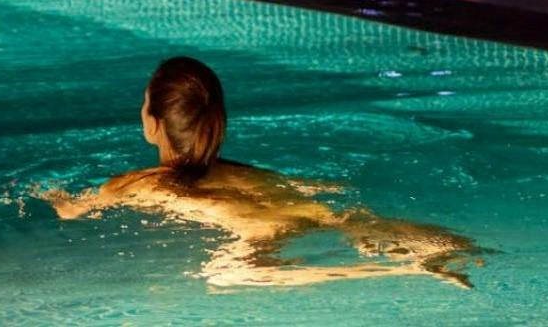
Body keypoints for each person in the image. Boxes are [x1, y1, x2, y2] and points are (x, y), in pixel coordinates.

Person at [44, 56, 480, 288]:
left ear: (153, 124)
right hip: (297, 208)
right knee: (350, 222)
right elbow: (318, 189)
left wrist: (49, 195)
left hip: (260, 231)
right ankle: (445, 245)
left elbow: (71, 211)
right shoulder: (244, 171)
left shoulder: (135, 184)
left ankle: (404, 269)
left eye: (144, 103)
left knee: (225, 275)